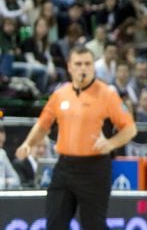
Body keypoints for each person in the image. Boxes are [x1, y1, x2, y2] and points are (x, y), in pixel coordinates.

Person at [15, 46, 137, 229]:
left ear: (93, 67)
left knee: (94, 225)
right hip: (65, 167)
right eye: (78, 64)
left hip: (94, 169)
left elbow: (130, 128)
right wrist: (27, 143)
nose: (83, 68)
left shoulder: (107, 94)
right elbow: (43, 125)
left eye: (88, 64)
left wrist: (111, 143)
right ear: (69, 67)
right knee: (55, 222)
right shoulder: (60, 94)